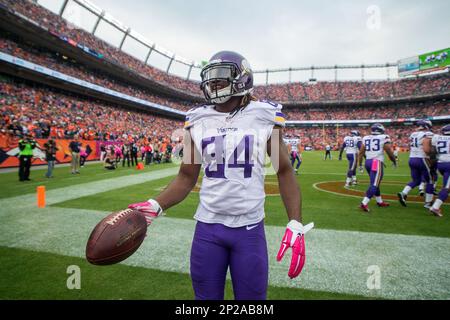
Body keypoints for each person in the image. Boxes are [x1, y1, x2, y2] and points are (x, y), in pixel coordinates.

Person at [128, 51, 314, 300]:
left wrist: (295, 222)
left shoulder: (264, 114)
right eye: (210, 78)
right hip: (207, 228)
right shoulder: (197, 118)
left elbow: (284, 171)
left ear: (242, 78)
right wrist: (155, 205)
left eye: (220, 77)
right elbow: (186, 176)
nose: (213, 83)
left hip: (249, 229)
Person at [358, 123, 396, 212]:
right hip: (376, 162)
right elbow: (389, 151)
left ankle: (379, 201)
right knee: (374, 184)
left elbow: (361, 153)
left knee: (375, 182)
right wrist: (394, 160)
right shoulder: (384, 137)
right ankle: (364, 203)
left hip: (368, 162)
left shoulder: (366, 138)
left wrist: (360, 165)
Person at [397, 120, 435, 209]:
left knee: (416, 180)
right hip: (422, 159)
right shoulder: (428, 134)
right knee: (430, 181)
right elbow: (426, 149)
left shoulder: (413, 134)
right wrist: (433, 155)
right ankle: (428, 203)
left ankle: (404, 193)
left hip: (412, 159)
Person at [424, 124, 450, 217]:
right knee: (446, 188)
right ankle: (435, 207)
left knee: (447, 185)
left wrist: (432, 166)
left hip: (440, 164)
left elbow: (433, 154)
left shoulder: (437, 137)